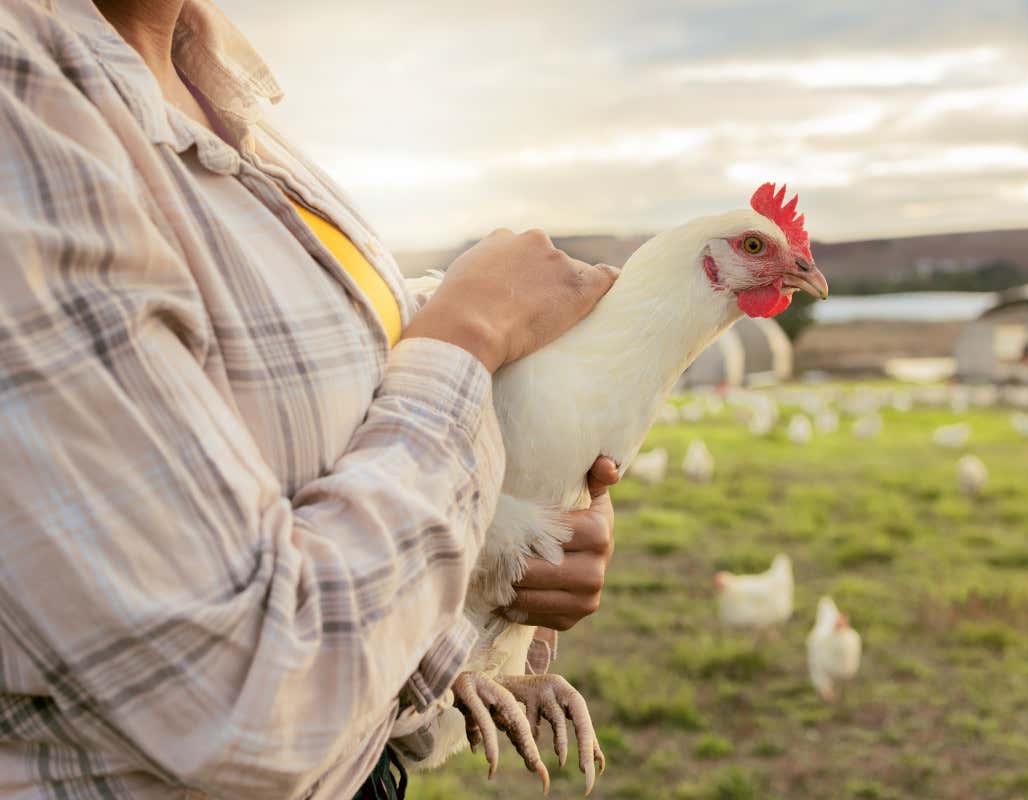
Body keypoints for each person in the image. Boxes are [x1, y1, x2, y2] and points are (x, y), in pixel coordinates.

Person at [0, 1, 620, 797]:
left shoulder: (212, 82)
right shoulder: (25, 100)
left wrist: (505, 537)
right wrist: (469, 337)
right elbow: (251, 701)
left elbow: (328, 411)